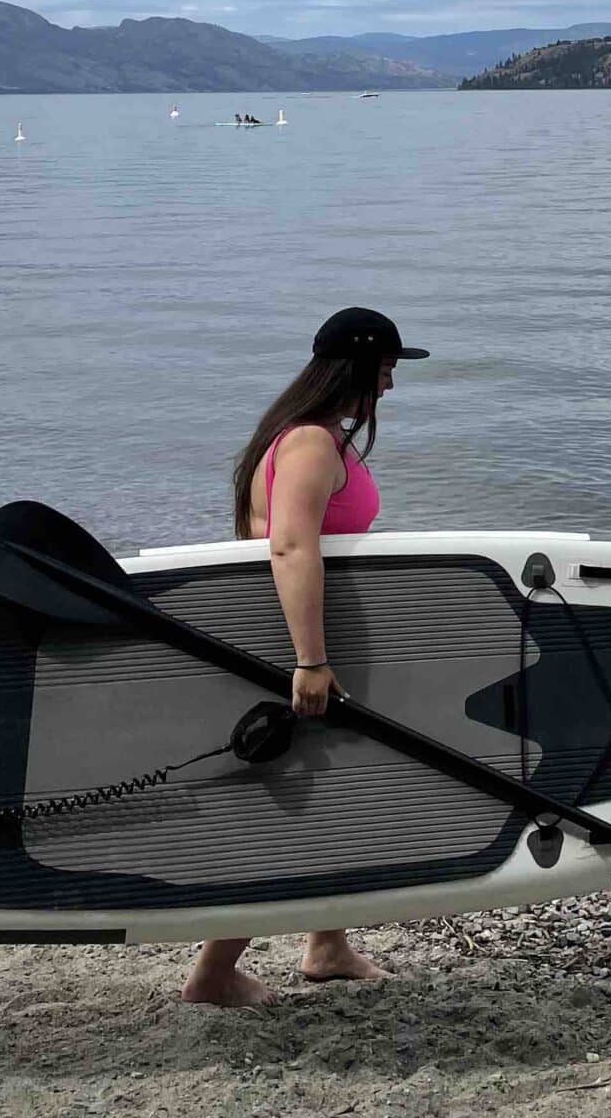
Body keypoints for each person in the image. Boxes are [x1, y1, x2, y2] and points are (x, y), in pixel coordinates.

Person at [181, 305, 431, 1008]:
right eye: (384, 370)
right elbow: (290, 547)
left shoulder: (303, 436)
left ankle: (326, 943)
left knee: (331, 792)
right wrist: (310, 659)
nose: (389, 386)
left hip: (305, 639)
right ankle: (212, 974)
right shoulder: (311, 445)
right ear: (354, 367)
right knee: (296, 806)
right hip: (296, 646)